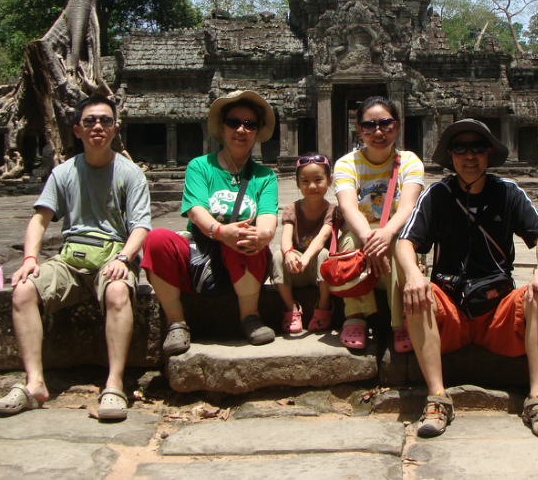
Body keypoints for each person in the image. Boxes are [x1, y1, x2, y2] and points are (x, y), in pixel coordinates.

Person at [0, 95, 151, 421]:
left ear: (115, 128)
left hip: (113, 256)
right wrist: (30, 258)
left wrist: (124, 258)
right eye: (90, 121)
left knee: (118, 291)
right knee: (23, 291)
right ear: (77, 130)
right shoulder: (63, 173)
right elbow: (39, 220)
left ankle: (114, 384)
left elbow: (141, 227)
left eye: (105, 120)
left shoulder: (131, 174)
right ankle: (35, 383)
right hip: (70, 259)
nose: (98, 126)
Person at [396, 120, 538, 438]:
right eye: (460, 148)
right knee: (418, 294)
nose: (469, 155)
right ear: (450, 156)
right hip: (450, 310)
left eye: (477, 147)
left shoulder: (508, 192)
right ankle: (437, 398)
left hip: (498, 311)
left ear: (489, 154)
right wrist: (414, 274)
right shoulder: (438, 194)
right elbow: (406, 242)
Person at [142, 90, 279, 348]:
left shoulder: (264, 176)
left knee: (247, 237)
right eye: (233, 122)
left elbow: (268, 215)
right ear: (222, 127)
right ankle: (176, 322)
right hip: (201, 253)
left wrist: (264, 234)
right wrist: (219, 231)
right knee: (155, 239)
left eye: (249, 124)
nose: (241, 129)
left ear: (257, 131)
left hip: (242, 258)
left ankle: (250, 316)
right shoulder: (200, 166)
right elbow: (196, 210)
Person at [333, 96, 425, 351]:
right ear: (359, 129)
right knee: (349, 240)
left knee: (401, 245)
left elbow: (408, 206)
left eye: (386, 123)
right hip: (361, 233)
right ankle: (355, 316)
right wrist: (370, 239)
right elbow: (348, 207)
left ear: (397, 125)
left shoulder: (410, 161)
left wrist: (386, 234)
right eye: (369, 125)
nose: (378, 132)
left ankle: (401, 322)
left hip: (394, 230)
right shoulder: (346, 163)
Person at [272, 152, 337, 333]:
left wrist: (307, 257)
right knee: (278, 255)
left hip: (319, 270)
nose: (312, 186)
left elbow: (323, 236)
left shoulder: (332, 210)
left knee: (324, 254)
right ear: (298, 183)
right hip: (296, 269)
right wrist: (288, 253)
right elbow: (285, 237)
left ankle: (324, 305)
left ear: (329, 180)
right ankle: (291, 307)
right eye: (305, 181)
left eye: (318, 180)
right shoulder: (292, 208)